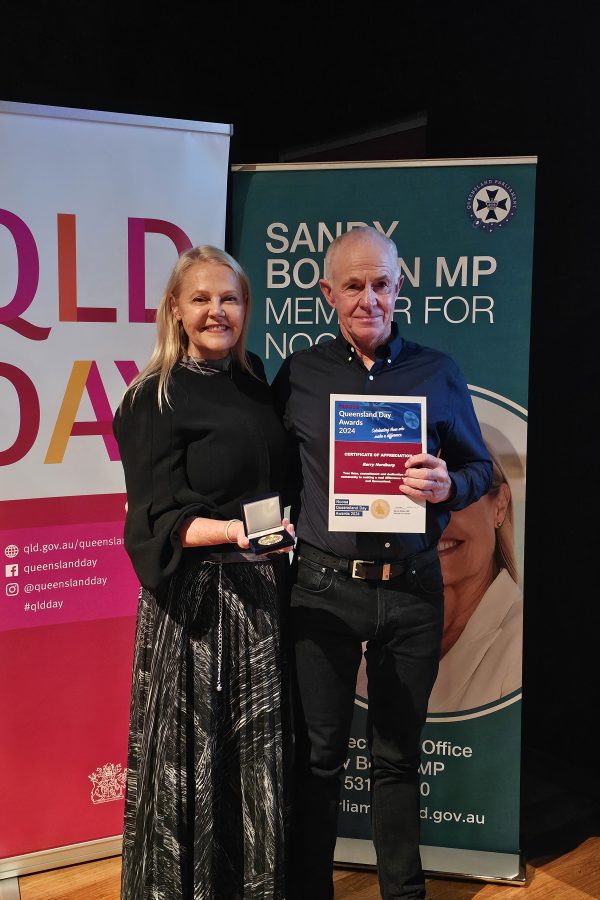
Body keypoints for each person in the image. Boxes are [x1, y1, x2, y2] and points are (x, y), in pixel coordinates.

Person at [272, 226, 492, 900]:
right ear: (327, 293)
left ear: (400, 286)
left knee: (397, 759)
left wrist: (449, 485)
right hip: (322, 588)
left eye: (381, 284)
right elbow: (272, 474)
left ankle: (404, 894)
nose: (369, 299)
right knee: (319, 759)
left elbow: (479, 468)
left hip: (412, 590)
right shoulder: (299, 374)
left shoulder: (438, 371)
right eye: (354, 285)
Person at [113, 245, 294, 900]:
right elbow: (152, 520)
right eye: (201, 298)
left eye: (230, 298)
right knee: (188, 766)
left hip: (260, 599)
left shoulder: (254, 378)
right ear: (175, 309)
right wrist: (230, 533)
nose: (217, 311)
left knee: (253, 770)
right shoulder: (152, 397)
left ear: (245, 308)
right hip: (194, 611)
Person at [427, 441, 522, 712]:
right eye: (418, 499)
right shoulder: (369, 629)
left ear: (499, 506)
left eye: (455, 496)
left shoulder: (522, 639)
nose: (434, 522)